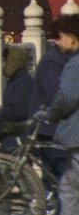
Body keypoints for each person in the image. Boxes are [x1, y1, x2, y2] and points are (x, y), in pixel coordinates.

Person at [37, 14, 79, 215]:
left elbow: (67, 97)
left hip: (76, 137)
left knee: (70, 190)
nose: (59, 42)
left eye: (61, 37)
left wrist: (50, 114)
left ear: (72, 38)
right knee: (68, 189)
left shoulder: (74, 64)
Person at [30, 20, 75, 181]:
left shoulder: (69, 59)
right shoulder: (53, 61)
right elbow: (58, 96)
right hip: (51, 130)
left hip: (61, 128)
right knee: (62, 177)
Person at [0, 46, 34, 150]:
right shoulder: (18, 80)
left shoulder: (22, 84)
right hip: (16, 131)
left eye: (6, 61)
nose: (4, 65)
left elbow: (14, 111)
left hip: (18, 133)